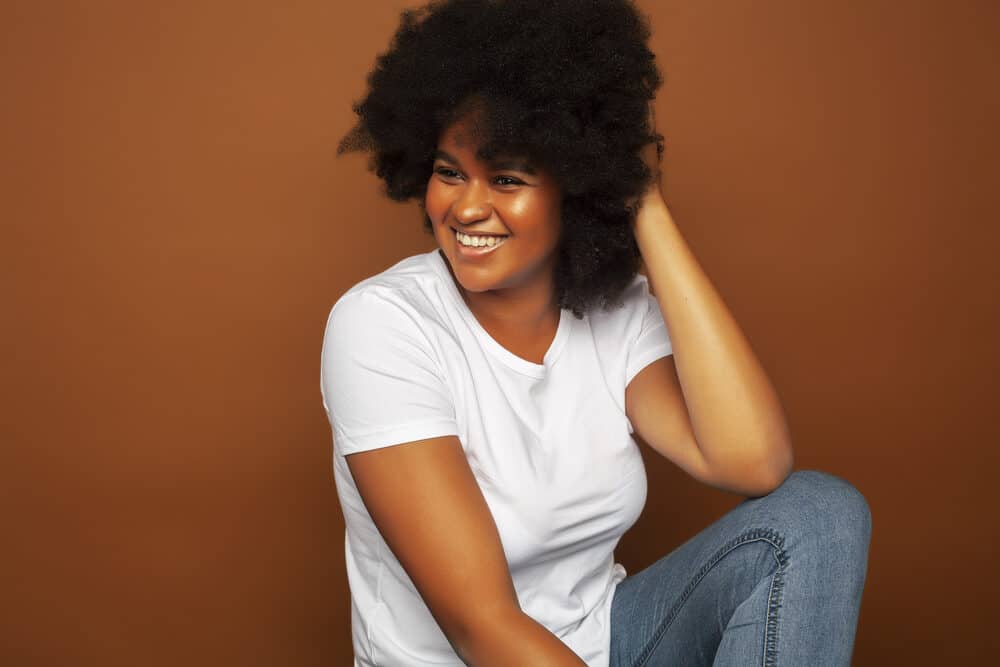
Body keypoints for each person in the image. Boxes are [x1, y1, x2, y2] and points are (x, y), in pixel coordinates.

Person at [320, 1, 872, 665]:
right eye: (448, 172)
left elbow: (752, 460)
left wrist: (642, 200)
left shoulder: (611, 310)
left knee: (819, 512)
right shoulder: (383, 325)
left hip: (607, 644)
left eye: (507, 178)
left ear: (574, 186)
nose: (465, 207)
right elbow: (481, 626)